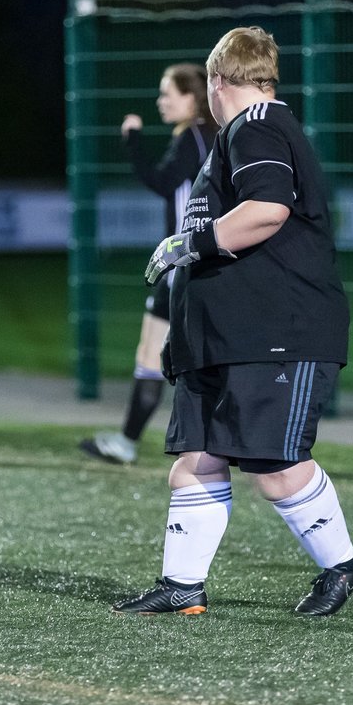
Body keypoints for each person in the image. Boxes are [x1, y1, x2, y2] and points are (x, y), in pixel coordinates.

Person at [111, 27, 353, 617]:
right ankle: (181, 586)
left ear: (218, 82)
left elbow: (268, 209)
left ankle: (342, 565)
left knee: (275, 469)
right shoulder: (240, 133)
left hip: (278, 334)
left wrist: (187, 243)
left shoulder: (256, 125)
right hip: (230, 336)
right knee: (196, 460)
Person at [80, 64, 216, 465]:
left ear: (192, 99)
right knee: (207, 358)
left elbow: (159, 181)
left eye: (167, 94)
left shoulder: (191, 137)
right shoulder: (215, 137)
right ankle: (234, 445)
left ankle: (126, 443)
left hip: (181, 265)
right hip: (208, 262)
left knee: (151, 353)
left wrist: (132, 140)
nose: (161, 102)